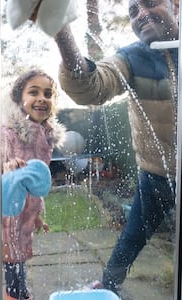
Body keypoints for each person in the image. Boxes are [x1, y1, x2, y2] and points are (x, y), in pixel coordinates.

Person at [49, 0, 179, 296]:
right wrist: (60, 28)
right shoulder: (132, 58)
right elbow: (91, 85)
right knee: (132, 237)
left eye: (150, 3)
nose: (142, 14)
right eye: (133, 11)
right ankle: (107, 285)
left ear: (176, 5)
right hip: (155, 175)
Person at [1, 69, 66, 300]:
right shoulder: (8, 132)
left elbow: (36, 184)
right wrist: (7, 166)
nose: (42, 98)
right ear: (19, 98)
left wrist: (37, 215)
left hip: (25, 214)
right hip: (7, 212)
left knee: (17, 263)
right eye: (34, 92)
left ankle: (17, 293)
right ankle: (17, 295)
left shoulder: (45, 137)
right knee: (12, 264)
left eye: (48, 94)